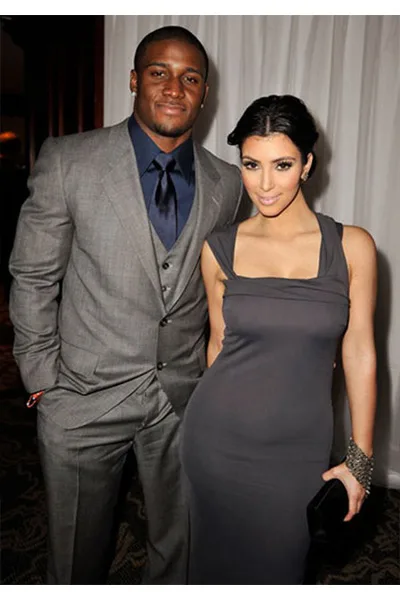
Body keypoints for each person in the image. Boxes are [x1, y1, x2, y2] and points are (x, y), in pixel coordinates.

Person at [8, 26, 243, 585]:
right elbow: (33, 275)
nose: (174, 88)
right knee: (76, 560)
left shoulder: (229, 182)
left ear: (204, 93)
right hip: (82, 397)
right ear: (135, 80)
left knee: (182, 551)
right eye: (159, 72)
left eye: (190, 78)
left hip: (182, 399)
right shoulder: (68, 160)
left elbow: (225, 284)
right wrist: (42, 380)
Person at [181, 94, 377, 584]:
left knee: (282, 571)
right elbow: (218, 345)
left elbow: (359, 354)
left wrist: (360, 461)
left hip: (297, 451)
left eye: (282, 165)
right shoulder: (219, 248)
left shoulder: (352, 246)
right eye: (252, 165)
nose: (264, 185)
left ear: (307, 164)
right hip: (216, 442)